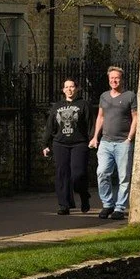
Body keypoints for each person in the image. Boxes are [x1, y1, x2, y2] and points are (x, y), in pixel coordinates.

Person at [90, 64, 138, 220]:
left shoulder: (130, 96)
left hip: (123, 142)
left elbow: (136, 118)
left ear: (122, 79)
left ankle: (119, 207)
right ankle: (107, 204)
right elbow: (100, 117)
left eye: (117, 78)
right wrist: (95, 136)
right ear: (108, 79)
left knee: (123, 177)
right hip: (105, 142)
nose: (114, 80)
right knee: (102, 172)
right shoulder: (104, 96)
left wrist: (129, 138)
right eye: (111, 78)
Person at [43, 77, 93, 215]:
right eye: (66, 87)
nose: (69, 89)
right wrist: (45, 144)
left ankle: (83, 195)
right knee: (62, 173)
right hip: (60, 143)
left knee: (78, 174)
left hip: (79, 143)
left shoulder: (84, 104)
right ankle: (64, 204)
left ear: (77, 88)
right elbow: (50, 126)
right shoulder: (57, 106)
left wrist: (92, 139)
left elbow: (90, 125)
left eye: (72, 87)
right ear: (63, 90)